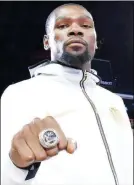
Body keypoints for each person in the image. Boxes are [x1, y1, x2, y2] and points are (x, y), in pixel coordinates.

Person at [1, 3, 133, 185]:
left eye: (85, 26)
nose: (76, 30)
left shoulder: (114, 101)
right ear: (47, 42)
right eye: (63, 26)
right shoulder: (20, 93)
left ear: (96, 41)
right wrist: (16, 165)